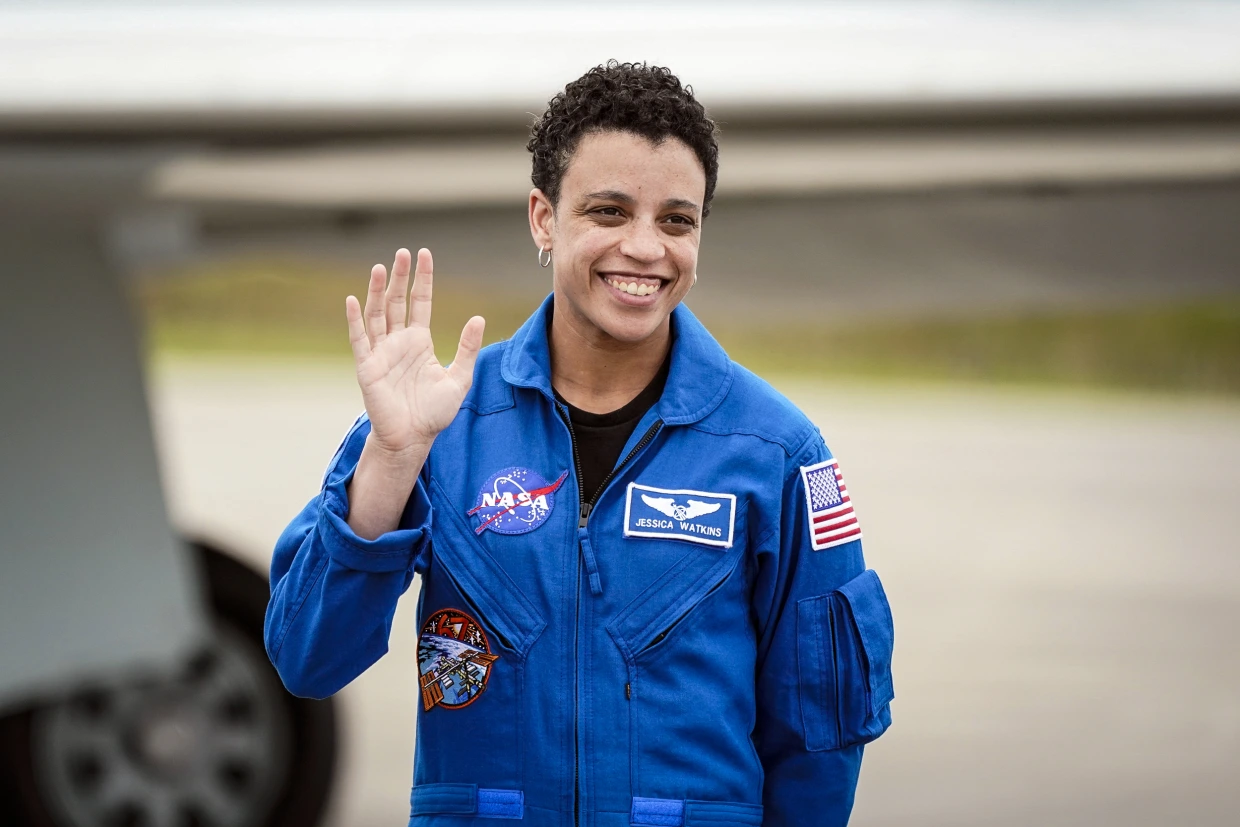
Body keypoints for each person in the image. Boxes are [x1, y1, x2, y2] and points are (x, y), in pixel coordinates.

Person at [265, 61, 894, 827]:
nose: (645, 248)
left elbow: (820, 741)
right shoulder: (440, 421)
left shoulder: (778, 451)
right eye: (609, 211)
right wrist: (392, 461)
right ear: (543, 217)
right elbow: (307, 658)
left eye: (676, 221)